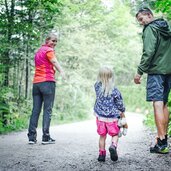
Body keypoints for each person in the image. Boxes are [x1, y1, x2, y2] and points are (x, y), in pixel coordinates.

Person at [134, 7, 171, 154]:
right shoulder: (166, 26)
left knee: (157, 103)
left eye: (142, 19)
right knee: (164, 104)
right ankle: (164, 139)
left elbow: (148, 52)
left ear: (150, 15)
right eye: (139, 21)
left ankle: (161, 143)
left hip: (156, 71)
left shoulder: (151, 28)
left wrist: (139, 71)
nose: (142, 23)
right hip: (168, 70)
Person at [27, 32, 65, 145]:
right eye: (53, 40)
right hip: (47, 82)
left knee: (35, 110)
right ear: (47, 40)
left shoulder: (38, 51)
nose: (54, 43)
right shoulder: (49, 50)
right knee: (47, 110)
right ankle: (45, 137)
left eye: (56, 41)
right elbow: (53, 61)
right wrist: (61, 71)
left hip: (36, 84)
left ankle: (31, 138)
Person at [94, 66, 128, 162]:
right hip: (112, 118)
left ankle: (101, 154)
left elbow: (98, 84)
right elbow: (120, 104)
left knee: (102, 136)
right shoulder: (115, 90)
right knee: (115, 134)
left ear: (99, 76)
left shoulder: (97, 87)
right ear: (112, 77)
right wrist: (122, 111)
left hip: (100, 117)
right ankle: (113, 146)